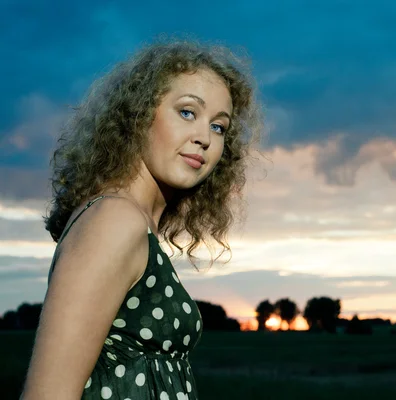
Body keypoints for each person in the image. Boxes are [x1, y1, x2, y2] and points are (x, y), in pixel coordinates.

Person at [20, 38, 263, 399]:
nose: (204, 138)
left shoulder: (134, 222)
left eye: (219, 127)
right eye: (186, 112)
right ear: (138, 115)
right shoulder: (114, 220)